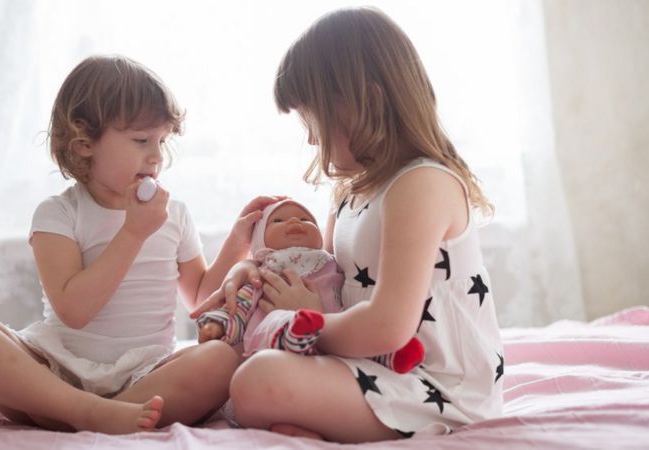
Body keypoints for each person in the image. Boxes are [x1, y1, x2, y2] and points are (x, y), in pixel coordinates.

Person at [191, 7, 503, 443]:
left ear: (363, 103)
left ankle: (330, 423)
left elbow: (388, 326)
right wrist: (254, 271)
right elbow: (328, 281)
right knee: (245, 375)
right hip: (372, 368)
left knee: (255, 380)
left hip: (437, 388)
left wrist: (303, 319)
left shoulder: (421, 184)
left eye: (312, 120)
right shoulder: (350, 195)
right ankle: (326, 423)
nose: (313, 140)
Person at [0, 55, 280, 435]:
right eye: (141, 140)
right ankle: (83, 410)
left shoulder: (175, 214)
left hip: (145, 376)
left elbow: (199, 301)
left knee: (222, 359)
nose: (156, 156)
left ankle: (83, 413)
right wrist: (132, 234)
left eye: (162, 140)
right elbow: (74, 311)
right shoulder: (59, 213)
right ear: (84, 144)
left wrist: (237, 242)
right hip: (57, 369)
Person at [196, 199, 424, 374]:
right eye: (278, 221)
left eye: (306, 220)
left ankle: (391, 352)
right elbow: (242, 303)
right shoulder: (262, 270)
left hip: (334, 335)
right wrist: (220, 324)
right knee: (278, 320)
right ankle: (297, 333)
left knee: (360, 330)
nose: (295, 222)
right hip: (275, 347)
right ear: (260, 243)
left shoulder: (334, 262)